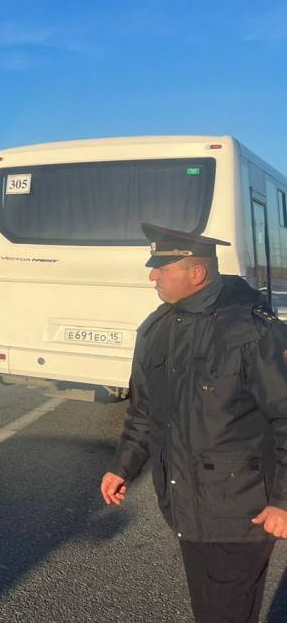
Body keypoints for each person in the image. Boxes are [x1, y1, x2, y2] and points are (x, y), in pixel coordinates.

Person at [101, 224, 287, 623]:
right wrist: (123, 467)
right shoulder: (157, 328)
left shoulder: (252, 331)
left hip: (241, 511)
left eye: (161, 268)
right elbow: (142, 413)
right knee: (210, 611)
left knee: (227, 614)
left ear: (196, 274)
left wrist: (283, 503)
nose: (152, 275)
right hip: (185, 505)